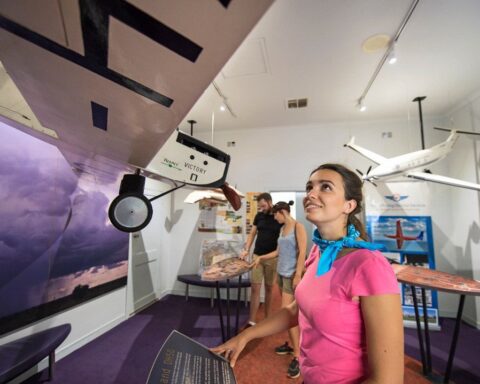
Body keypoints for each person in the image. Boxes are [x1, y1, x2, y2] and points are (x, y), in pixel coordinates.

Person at [212, 164, 404, 384]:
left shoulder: (370, 265)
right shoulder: (318, 251)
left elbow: (388, 380)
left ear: (349, 205)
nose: (311, 194)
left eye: (326, 187)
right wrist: (245, 335)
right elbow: (297, 309)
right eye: (309, 187)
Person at [251, 200, 307, 379]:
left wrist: (298, 274)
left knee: (287, 314)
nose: (274, 218)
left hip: (292, 276)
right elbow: (278, 252)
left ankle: (298, 356)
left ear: (283, 212)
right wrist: (260, 258)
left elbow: (303, 251)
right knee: (288, 314)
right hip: (282, 275)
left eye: (276, 214)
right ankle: (293, 345)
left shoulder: (298, 227)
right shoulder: (283, 229)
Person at [240, 192, 282, 328]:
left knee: (269, 289)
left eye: (263, 206)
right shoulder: (259, 216)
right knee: (255, 288)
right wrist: (246, 249)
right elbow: (252, 234)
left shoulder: (278, 217)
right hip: (257, 257)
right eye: (260, 206)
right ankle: (251, 321)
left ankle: (267, 319)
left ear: (270, 202)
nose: (262, 209)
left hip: (272, 258)